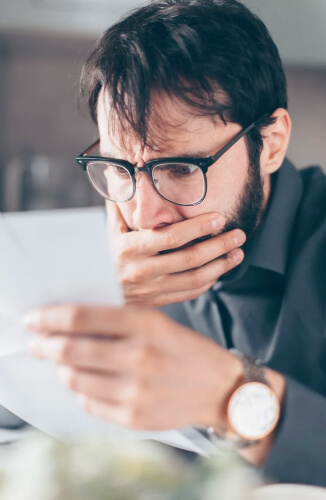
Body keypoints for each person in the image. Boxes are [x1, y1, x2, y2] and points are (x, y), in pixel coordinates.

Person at [22, 0, 326, 486]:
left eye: (181, 169)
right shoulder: (113, 270)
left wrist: (229, 394)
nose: (144, 216)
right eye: (121, 170)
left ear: (270, 143)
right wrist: (92, 292)